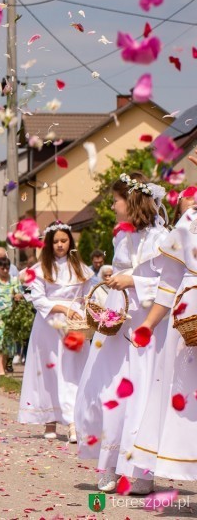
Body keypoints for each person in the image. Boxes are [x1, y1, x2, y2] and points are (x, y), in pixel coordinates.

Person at [75, 172, 168, 494]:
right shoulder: (121, 238)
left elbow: (171, 283)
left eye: (115, 200)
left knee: (141, 394)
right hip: (119, 317)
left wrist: (134, 282)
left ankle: (140, 471)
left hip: (147, 322)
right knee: (109, 391)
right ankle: (109, 463)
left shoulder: (162, 238)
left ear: (131, 200)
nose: (112, 206)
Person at [131, 190, 197, 492]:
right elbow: (169, 282)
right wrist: (147, 324)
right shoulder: (188, 223)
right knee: (182, 396)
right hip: (187, 320)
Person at [18, 221, 92, 442]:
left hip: (75, 324)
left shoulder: (81, 268)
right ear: (49, 244)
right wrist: (62, 308)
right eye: (56, 241)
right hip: (49, 324)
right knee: (50, 370)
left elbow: (88, 296)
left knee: (73, 371)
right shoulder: (40, 269)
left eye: (64, 240)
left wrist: (88, 313)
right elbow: (38, 299)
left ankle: (73, 422)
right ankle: (49, 419)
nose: (60, 245)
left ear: (70, 241)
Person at [0, 257, 22, 376]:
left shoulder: (13, 280)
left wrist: (18, 296)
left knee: (8, 343)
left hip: (10, 316)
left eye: (7, 268)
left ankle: (4, 365)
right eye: (3, 268)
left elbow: (19, 292)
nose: (5, 271)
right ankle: (0, 368)